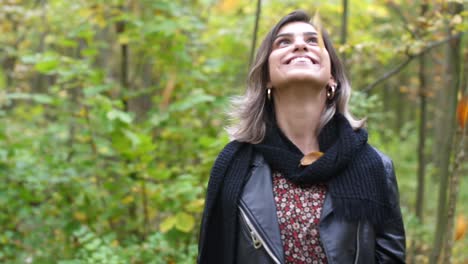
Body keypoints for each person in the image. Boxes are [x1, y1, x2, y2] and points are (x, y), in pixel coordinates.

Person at [198, 10, 406, 264]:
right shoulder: (234, 166)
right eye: (283, 42)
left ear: (332, 78)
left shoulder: (375, 166)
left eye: (313, 41)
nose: (299, 45)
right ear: (266, 78)